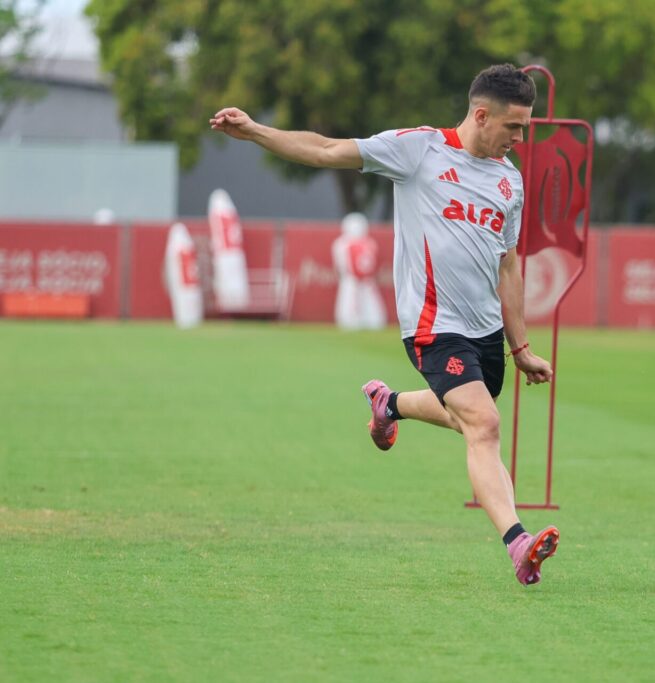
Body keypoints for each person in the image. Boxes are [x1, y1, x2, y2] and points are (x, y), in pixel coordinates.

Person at [210, 64, 559, 585]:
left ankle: (389, 403)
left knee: (466, 419)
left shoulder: (511, 182)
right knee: (484, 426)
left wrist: (521, 345)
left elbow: (508, 265)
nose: (520, 137)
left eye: (525, 128)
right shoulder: (418, 149)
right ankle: (518, 544)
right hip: (432, 325)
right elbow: (328, 150)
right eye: (513, 126)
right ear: (481, 114)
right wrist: (256, 131)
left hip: (485, 332)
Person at [332, 212, 386, 331]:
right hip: (353, 279)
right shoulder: (343, 243)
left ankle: (370, 321)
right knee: (350, 300)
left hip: (362, 280)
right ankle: (350, 322)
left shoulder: (366, 243)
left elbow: (372, 264)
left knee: (367, 302)